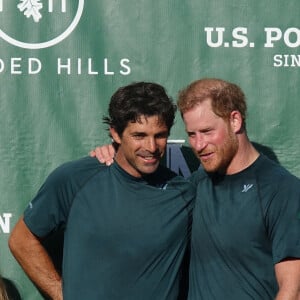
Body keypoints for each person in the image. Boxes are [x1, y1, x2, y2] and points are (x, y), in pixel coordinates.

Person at [92, 78, 300, 300]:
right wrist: (114, 152)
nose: (199, 145)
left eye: (207, 131)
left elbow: (293, 290)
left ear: (235, 121)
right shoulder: (191, 187)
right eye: (192, 134)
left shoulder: (280, 189)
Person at [8, 82, 195, 300]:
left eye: (160, 135)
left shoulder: (184, 193)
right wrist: (63, 295)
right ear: (115, 134)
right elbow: (21, 239)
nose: (151, 147)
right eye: (139, 135)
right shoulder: (75, 178)